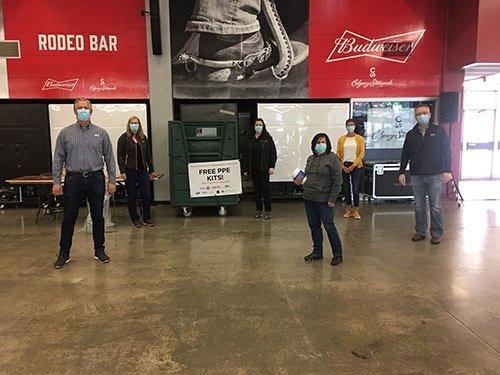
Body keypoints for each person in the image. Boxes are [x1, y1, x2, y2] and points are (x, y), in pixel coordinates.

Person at [52, 98, 116, 269]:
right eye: (79, 108)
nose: (82, 110)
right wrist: (56, 182)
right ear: (74, 111)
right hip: (73, 180)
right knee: (68, 218)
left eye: (85, 108)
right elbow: (58, 159)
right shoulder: (65, 134)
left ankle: (99, 250)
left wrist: (112, 180)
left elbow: (109, 158)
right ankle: (64, 254)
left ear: (91, 110)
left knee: (98, 217)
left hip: (96, 179)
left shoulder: (101, 133)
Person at [398, 104, 452, 245]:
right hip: (416, 175)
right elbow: (405, 154)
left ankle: (436, 233)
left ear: (429, 114)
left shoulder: (439, 131)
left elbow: (447, 151)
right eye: (419, 114)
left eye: (425, 113)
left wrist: (448, 170)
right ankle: (420, 231)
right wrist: (402, 171)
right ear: (415, 117)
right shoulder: (411, 134)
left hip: (435, 174)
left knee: (435, 205)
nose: (422, 116)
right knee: (419, 205)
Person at [294, 133, 343, 266]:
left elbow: (338, 180)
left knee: (329, 227)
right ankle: (317, 252)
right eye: (318, 142)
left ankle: (337, 254)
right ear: (314, 144)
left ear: (327, 144)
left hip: (324, 199)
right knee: (314, 226)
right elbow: (307, 176)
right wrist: (298, 180)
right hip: (309, 197)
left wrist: (332, 199)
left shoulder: (333, 159)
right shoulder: (310, 158)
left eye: (323, 142)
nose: (320, 145)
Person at [117, 116, 157, 228]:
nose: (134, 124)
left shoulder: (143, 138)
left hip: (143, 170)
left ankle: (147, 218)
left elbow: (148, 155)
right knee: (132, 195)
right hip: (130, 171)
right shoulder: (124, 138)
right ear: (129, 124)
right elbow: (120, 156)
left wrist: (151, 170)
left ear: (139, 124)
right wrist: (122, 171)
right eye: (132, 123)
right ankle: (135, 219)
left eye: (136, 123)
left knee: (146, 194)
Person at [243, 118, 277, 220]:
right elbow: (245, 154)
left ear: (263, 126)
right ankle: (259, 210)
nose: (258, 127)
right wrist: (245, 168)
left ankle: (268, 210)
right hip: (253, 168)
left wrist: (272, 166)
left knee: (265, 190)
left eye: (260, 125)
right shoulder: (249, 139)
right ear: (254, 126)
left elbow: (273, 154)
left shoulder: (268, 138)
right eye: (257, 125)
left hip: (264, 169)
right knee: (257, 190)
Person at [337, 119, 365, 220]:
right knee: (346, 188)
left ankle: (356, 210)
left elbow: (361, 153)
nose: (350, 126)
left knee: (355, 188)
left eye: (352, 125)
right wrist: (342, 166)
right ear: (346, 126)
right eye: (348, 125)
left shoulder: (360, 138)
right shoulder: (341, 139)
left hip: (356, 166)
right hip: (344, 165)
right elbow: (338, 154)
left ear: (355, 126)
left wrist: (353, 165)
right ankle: (348, 209)